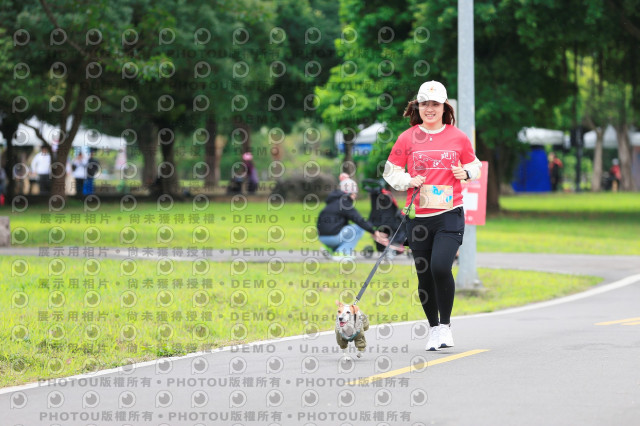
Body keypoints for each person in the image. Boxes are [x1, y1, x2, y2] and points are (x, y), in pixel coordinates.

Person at [383, 80, 482, 351]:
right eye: (425, 103)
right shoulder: (407, 137)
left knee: (440, 267)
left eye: (435, 104)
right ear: (418, 106)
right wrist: (409, 180)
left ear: (444, 107)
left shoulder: (458, 137)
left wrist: (466, 172)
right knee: (425, 276)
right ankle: (434, 329)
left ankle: (446, 326)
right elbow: (391, 171)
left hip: (449, 214)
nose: (430, 109)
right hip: (418, 217)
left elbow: (474, 165)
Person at [317, 177, 388, 261]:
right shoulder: (344, 203)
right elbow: (359, 220)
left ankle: (329, 249)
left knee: (347, 229)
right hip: (333, 237)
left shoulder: (332, 201)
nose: (355, 196)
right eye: (354, 193)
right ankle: (342, 253)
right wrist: (374, 232)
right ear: (350, 193)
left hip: (322, 237)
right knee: (358, 228)